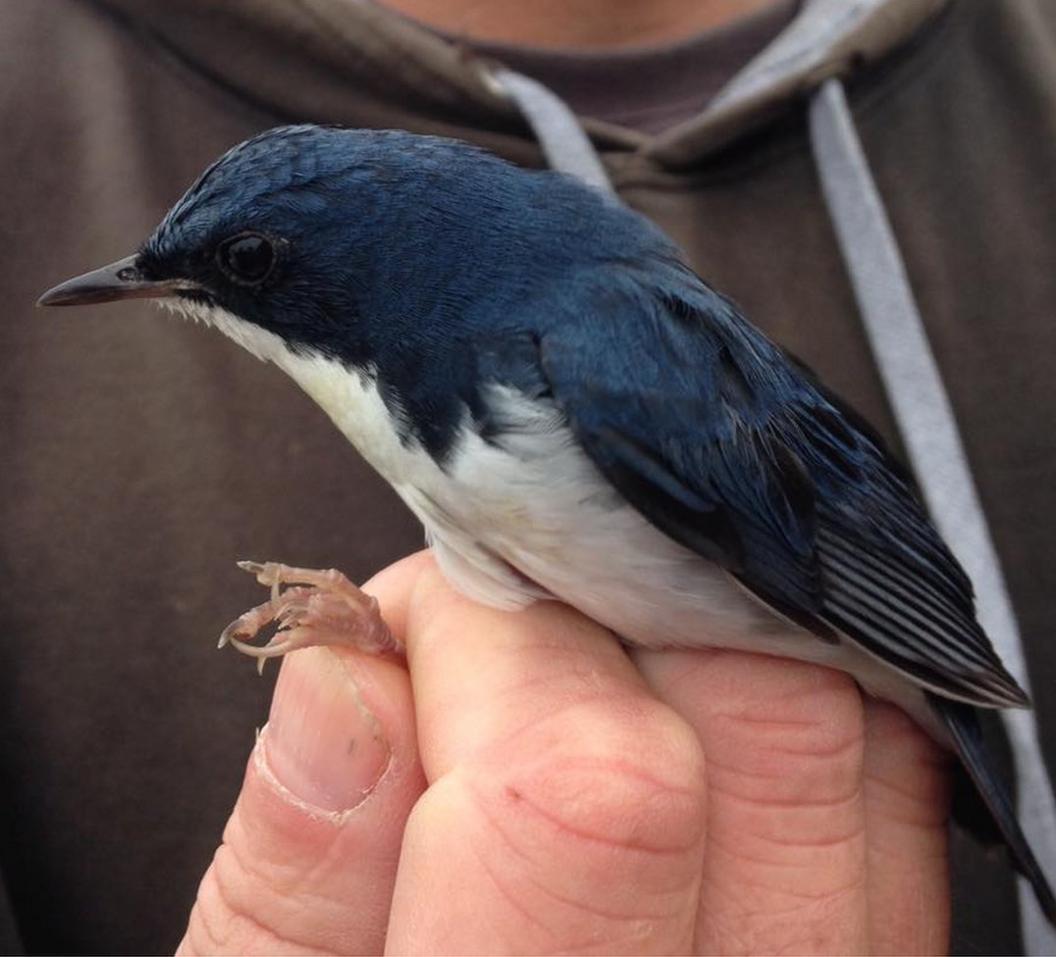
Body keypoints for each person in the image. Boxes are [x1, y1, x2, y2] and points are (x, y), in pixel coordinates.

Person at [2, 0, 1053, 953]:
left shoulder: (583, 353)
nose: (189, 290)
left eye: (248, 267)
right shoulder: (416, 367)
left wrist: (943, 676)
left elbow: (828, 532)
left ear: (353, 268)